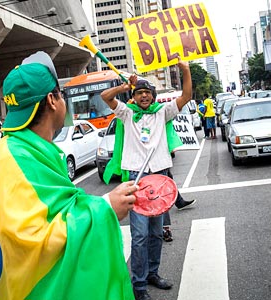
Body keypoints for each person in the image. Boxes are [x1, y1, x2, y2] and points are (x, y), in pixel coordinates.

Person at [0, 51, 138, 300]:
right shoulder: (14, 156)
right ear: (52, 100)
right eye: (61, 94)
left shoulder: (29, 148)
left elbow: (55, 210)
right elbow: (31, 239)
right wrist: (105, 207)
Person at [100, 60, 192, 300]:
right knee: (139, 235)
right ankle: (139, 286)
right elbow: (105, 96)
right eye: (139, 93)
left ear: (153, 96)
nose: (143, 96)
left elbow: (187, 95)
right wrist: (122, 88)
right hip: (136, 179)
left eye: (147, 93)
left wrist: (185, 70)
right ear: (135, 96)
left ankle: (153, 273)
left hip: (160, 179)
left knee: (157, 232)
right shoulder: (127, 113)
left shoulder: (162, 112)